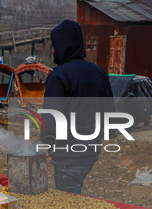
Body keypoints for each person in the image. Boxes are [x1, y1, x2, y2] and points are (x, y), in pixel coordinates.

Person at [40, 20, 113, 194]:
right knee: (75, 200)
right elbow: (109, 113)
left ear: (61, 46)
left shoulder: (59, 76)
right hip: (91, 152)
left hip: (68, 156)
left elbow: (51, 121)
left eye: (55, 46)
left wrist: (44, 144)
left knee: (69, 208)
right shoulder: (99, 72)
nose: (54, 51)